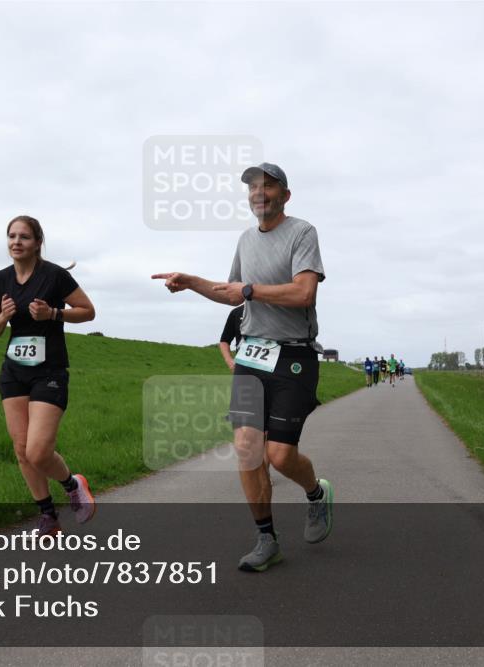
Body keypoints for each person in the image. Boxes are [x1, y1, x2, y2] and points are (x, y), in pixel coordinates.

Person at [153, 162, 333, 573]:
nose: (259, 193)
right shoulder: (244, 239)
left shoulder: (303, 232)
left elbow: (304, 293)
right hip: (252, 356)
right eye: (253, 187)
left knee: (281, 455)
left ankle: (316, 495)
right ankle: (266, 539)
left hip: (293, 356)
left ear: (285, 195)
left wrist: (250, 289)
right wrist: (192, 281)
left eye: (268, 186)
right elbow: (232, 294)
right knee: (249, 451)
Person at [0, 215, 97, 536]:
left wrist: (53, 313)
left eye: (24, 237)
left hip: (50, 371)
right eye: (12, 236)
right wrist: (3, 317)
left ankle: (72, 484)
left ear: (37, 243)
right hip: (13, 372)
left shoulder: (55, 276)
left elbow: (88, 311)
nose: (16, 242)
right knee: (21, 449)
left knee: (37, 450)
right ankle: (48, 517)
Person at [218, 305, 245, 371]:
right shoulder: (237, 312)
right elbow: (224, 341)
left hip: (272, 370)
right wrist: (229, 361)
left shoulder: (273, 309)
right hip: (243, 368)